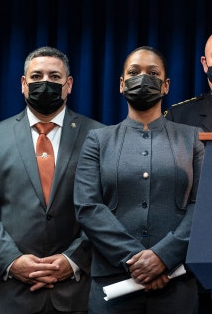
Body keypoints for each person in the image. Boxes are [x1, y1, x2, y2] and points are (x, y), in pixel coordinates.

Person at [74, 46, 203, 313]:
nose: (142, 78)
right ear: (122, 84)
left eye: (152, 73)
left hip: (176, 281)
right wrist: (136, 260)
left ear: (166, 86)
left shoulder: (193, 138)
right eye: (134, 72)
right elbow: (88, 208)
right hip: (113, 284)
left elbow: (203, 206)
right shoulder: (98, 141)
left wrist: (162, 257)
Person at [0, 46, 104, 313]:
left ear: (68, 85)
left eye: (54, 77)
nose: (45, 83)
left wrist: (72, 260)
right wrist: (13, 260)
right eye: (36, 77)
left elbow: (107, 208)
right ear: (23, 84)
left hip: (77, 293)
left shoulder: (99, 137)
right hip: (11, 294)